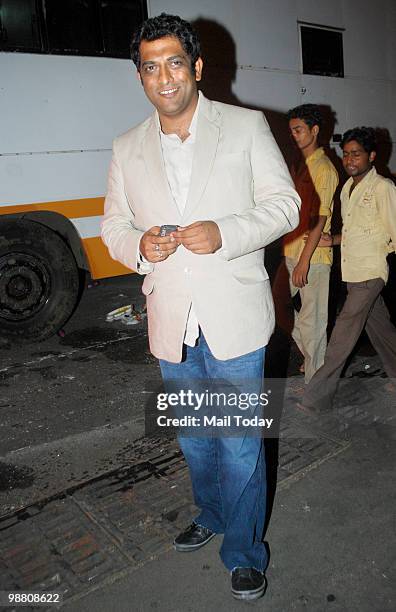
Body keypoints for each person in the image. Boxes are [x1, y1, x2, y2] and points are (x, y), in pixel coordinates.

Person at [101, 13, 300, 600]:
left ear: (197, 68)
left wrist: (228, 232)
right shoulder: (126, 146)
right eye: (151, 66)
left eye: (175, 63)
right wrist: (138, 244)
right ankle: (211, 514)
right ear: (140, 76)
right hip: (173, 324)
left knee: (239, 444)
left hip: (235, 318)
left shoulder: (244, 127)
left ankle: (243, 550)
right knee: (194, 436)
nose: (164, 77)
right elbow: (112, 224)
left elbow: (286, 206)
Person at [301, 126, 396, 413]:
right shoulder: (347, 188)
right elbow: (358, 230)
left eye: (356, 154)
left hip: (370, 272)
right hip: (351, 271)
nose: (350, 160)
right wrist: (334, 240)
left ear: (372, 156)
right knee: (380, 329)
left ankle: (316, 398)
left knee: (342, 334)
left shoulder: (383, 188)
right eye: (346, 154)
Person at [273, 104, 338, 383]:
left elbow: (319, 219)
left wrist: (304, 261)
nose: (295, 136)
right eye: (292, 131)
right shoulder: (301, 165)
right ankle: (313, 361)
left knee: (313, 323)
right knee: (275, 306)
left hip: (311, 258)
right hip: (291, 251)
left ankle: (316, 384)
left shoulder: (324, 169)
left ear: (314, 130)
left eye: (299, 130)